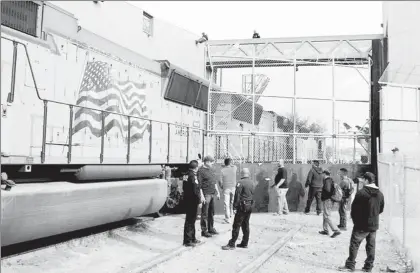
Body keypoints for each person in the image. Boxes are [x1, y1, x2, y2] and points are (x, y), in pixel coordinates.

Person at [339, 172, 385, 272]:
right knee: (371, 246)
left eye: (363, 179)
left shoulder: (361, 192)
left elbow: (354, 209)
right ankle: (368, 267)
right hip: (374, 224)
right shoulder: (380, 194)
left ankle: (350, 265)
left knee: (354, 244)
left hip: (361, 225)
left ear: (367, 180)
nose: (362, 181)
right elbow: (380, 209)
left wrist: (356, 221)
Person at [222, 168, 255, 250]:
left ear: (241, 174)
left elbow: (237, 196)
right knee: (246, 224)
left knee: (236, 225)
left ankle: (232, 244)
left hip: (242, 206)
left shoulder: (240, 183)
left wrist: (234, 207)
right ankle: (245, 243)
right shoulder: (252, 182)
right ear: (248, 174)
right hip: (249, 205)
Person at [183, 160, 205, 247]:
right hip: (192, 200)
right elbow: (195, 190)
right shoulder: (193, 176)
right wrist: (199, 201)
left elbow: (184, 187)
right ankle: (188, 240)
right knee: (190, 220)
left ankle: (192, 238)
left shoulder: (185, 174)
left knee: (191, 219)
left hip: (187, 199)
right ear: (196, 168)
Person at [197, 155, 221, 238]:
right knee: (205, 214)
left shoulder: (211, 170)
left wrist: (217, 192)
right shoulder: (200, 171)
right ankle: (204, 230)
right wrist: (202, 196)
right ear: (207, 162)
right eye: (211, 162)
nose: (212, 164)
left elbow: (214, 182)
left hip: (212, 194)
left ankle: (211, 228)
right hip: (206, 194)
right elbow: (199, 185)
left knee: (211, 212)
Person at [319, 169, 341, 238]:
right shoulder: (330, 180)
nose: (322, 175)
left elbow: (328, 190)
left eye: (323, 174)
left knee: (327, 216)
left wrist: (324, 194)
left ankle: (336, 230)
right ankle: (326, 230)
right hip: (329, 200)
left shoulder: (327, 180)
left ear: (325, 174)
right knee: (325, 215)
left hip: (328, 200)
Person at [219, 158, 238, 224]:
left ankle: (228, 219)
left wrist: (222, 187)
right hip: (233, 188)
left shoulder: (222, 170)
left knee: (226, 203)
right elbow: (234, 165)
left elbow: (220, 181)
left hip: (226, 188)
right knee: (232, 202)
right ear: (230, 163)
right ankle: (231, 215)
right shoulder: (234, 168)